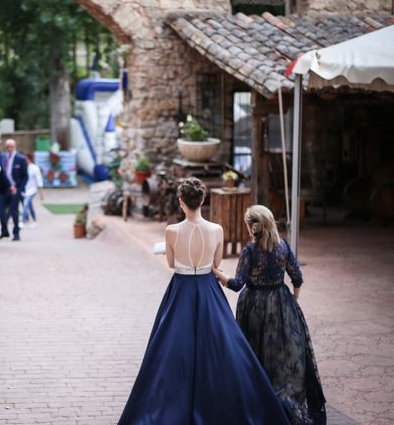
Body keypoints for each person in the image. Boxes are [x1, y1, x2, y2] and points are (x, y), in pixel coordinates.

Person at [119, 177, 289, 425]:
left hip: (181, 290)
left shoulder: (171, 230)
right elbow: (216, 264)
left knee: (171, 348)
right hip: (208, 289)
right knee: (223, 346)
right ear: (203, 200)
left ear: (180, 202)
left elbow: (170, 263)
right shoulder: (217, 229)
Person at [212, 205, 326, 425]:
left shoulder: (250, 250)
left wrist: (216, 273)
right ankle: (282, 401)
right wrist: (293, 298)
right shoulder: (283, 245)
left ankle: (259, 401)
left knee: (256, 353)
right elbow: (297, 277)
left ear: (250, 226)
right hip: (282, 305)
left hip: (254, 306)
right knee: (280, 356)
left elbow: (237, 284)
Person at [0, 139, 28, 241]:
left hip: (16, 190)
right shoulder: (3, 157)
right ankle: (4, 231)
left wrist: (19, 190)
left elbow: (25, 177)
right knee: (1, 211)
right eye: (7, 147)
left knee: (14, 212)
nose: (9, 148)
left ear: (15, 146)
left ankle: (16, 233)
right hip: (4, 189)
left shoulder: (21, 159)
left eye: (11, 146)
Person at [21, 152, 44, 229]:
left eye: (26, 159)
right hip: (25, 190)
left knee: (26, 203)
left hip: (32, 190)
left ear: (30, 159)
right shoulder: (23, 167)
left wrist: (41, 194)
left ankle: (22, 221)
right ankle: (35, 221)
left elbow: (39, 181)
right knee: (30, 206)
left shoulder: (34, 168)